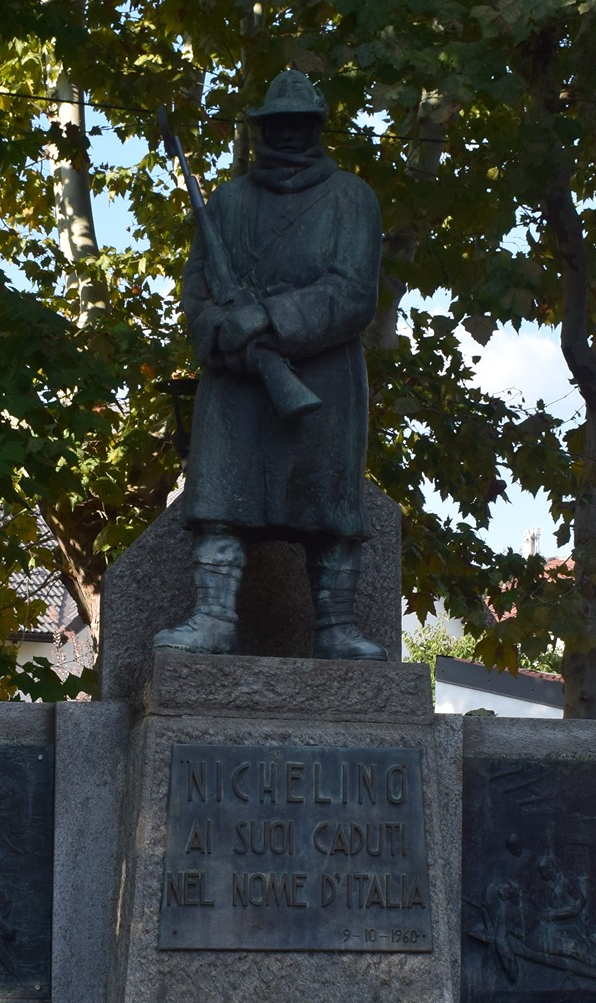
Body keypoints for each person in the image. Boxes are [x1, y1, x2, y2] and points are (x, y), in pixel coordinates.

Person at [155, 70, 386, 661]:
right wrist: (225, 335)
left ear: (315, 127)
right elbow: (197, 294)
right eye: (274, 124)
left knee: (330, 505)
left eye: (297, 123)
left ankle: (335, 627)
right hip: (237, 379)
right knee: (221, 501)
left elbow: (353, 293)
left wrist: (266, 319)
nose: (285, 133)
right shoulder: (228, 202)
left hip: (322, 378)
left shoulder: (352, 197)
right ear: (259, 129)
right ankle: (211, 618)